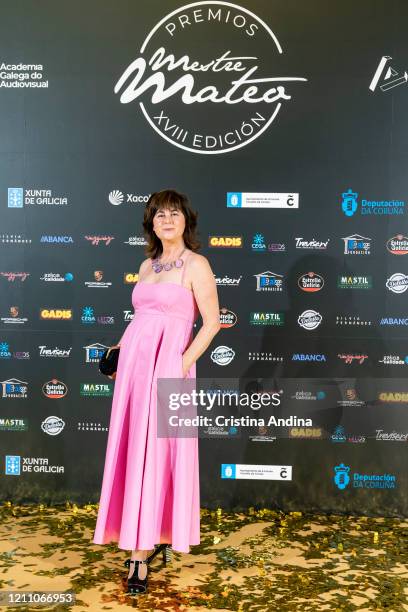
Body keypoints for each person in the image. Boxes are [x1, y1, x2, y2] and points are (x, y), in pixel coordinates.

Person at [92, 188, 221, 594]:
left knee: (161, 453)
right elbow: (142, 320)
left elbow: (212, 323)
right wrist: (118, 350)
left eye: (174, 213)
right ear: (151, 223)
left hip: (170, 371)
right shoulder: (146, 265)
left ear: (187, 220)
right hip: (134, 368)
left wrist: (179, 366)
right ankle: (136, 546)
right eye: (159, 214)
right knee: (136, 451)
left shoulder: (197, 264)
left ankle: (146, 546)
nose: (167, 220)